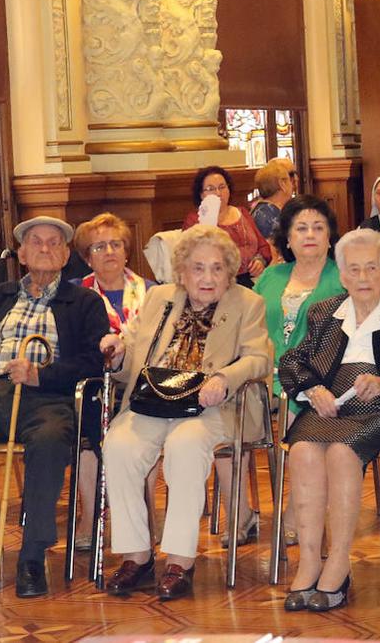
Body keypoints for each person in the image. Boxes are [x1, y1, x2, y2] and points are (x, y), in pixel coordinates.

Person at [100, 224, 272, 601]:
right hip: (153, 400)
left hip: (209, 406)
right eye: (197, 268)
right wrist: (118, 353)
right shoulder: (160, 297)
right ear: (182, 272)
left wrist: (225, 378)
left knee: (185, 446)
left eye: (216, 268)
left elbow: (260, 358)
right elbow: (133, 360)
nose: (207, 277)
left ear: (229, 271)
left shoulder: (247, 303)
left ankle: (179, 562)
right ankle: (137, 556)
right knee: (119, 445)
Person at [279, 228, 380, 611]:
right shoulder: (324, 312)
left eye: (372, 268)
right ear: (342, 275)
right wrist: (313, 389)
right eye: (354, 270)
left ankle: (340, 561)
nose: (364, 278)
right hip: (331, 405)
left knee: (341, 453)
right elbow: (293, 361)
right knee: (302, 451)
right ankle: (311, 560)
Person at [0, 217, 108, 596]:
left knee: (47, 443)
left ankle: (31, 557)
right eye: (36, 243)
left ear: (65, 255)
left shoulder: (84, 302)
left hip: (49, 399)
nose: (45, 248)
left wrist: (40, 374)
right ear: (22, 254)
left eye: (54, 243)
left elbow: (93, 363)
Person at [254, 196, 344, 546]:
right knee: (224, 416)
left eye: (318, 228)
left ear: (330, 236)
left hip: (318, 376)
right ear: (287, 239)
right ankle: (239, 515)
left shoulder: (342, 276)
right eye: (301, 228)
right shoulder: (270, 278)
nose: (310, 235)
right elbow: (252, 327)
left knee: (299, 418)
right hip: (264, 375)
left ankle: (296, 508)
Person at [70, 213, 158, 549]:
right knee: (88, 428)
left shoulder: (151, 292)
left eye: (116, 244)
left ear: (126, 251)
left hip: (141, 381)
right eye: (99, 246)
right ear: (86, 255)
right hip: (95, 382)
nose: (109, 251)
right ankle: (91, 516)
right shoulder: (77, 294)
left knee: (146, 424)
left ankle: (145, 514)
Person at [182, 166, 272, 287]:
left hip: (252, 279)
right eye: (210, 189)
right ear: (201, 195)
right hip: (217, 283)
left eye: (222, 187)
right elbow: (190, 257)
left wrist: (260, 261)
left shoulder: (242, 212)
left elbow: (263, 246)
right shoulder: (195, 220)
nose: (218, 193)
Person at [250, 158, 297, 242]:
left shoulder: (264, 209)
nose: (295, 180)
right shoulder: (269, 217)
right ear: (282, 184)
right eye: (290, 179)